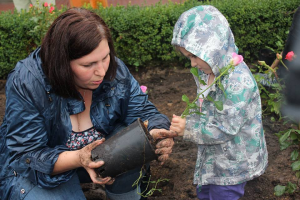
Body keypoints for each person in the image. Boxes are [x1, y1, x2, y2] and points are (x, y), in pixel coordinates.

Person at [0, 8, 174, 200]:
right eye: (88, 65)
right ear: (62, 63)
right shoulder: (27, 82)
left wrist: (156, 131)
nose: (101, 71)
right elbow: (27, 155)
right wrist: (78, 158)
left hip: (96, 160)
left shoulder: (114, 71)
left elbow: (145, 111)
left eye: (105, 57)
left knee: (136, 139)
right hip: (40, 171)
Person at [168, 5, 268, 200]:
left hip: (233, 164)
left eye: (194, 56)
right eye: (188, 57)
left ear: (212, 47)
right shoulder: (209, 72)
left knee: (222, 195)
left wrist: (188, 128)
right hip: (213, 158)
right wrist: (189, 119)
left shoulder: (238, 82)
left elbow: (226, 128)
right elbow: (206, 108)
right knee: (205, 192)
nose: (192, 63)